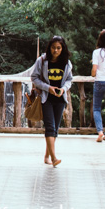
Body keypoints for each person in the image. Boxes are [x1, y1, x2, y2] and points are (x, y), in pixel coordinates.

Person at [31, 35, 73, 167]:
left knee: (55, 129)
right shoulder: (42, 61)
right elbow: (34, 77)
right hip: (46, 98)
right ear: (49, 48)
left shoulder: (66, 63)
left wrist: (64, 89)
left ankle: (46, 156)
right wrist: (48, 88)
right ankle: (54, 158)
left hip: (60, 99)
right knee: (50, 127)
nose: (56, 51)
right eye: (53, 48)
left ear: (63, 48)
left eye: (59, 48)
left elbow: (69, 79)